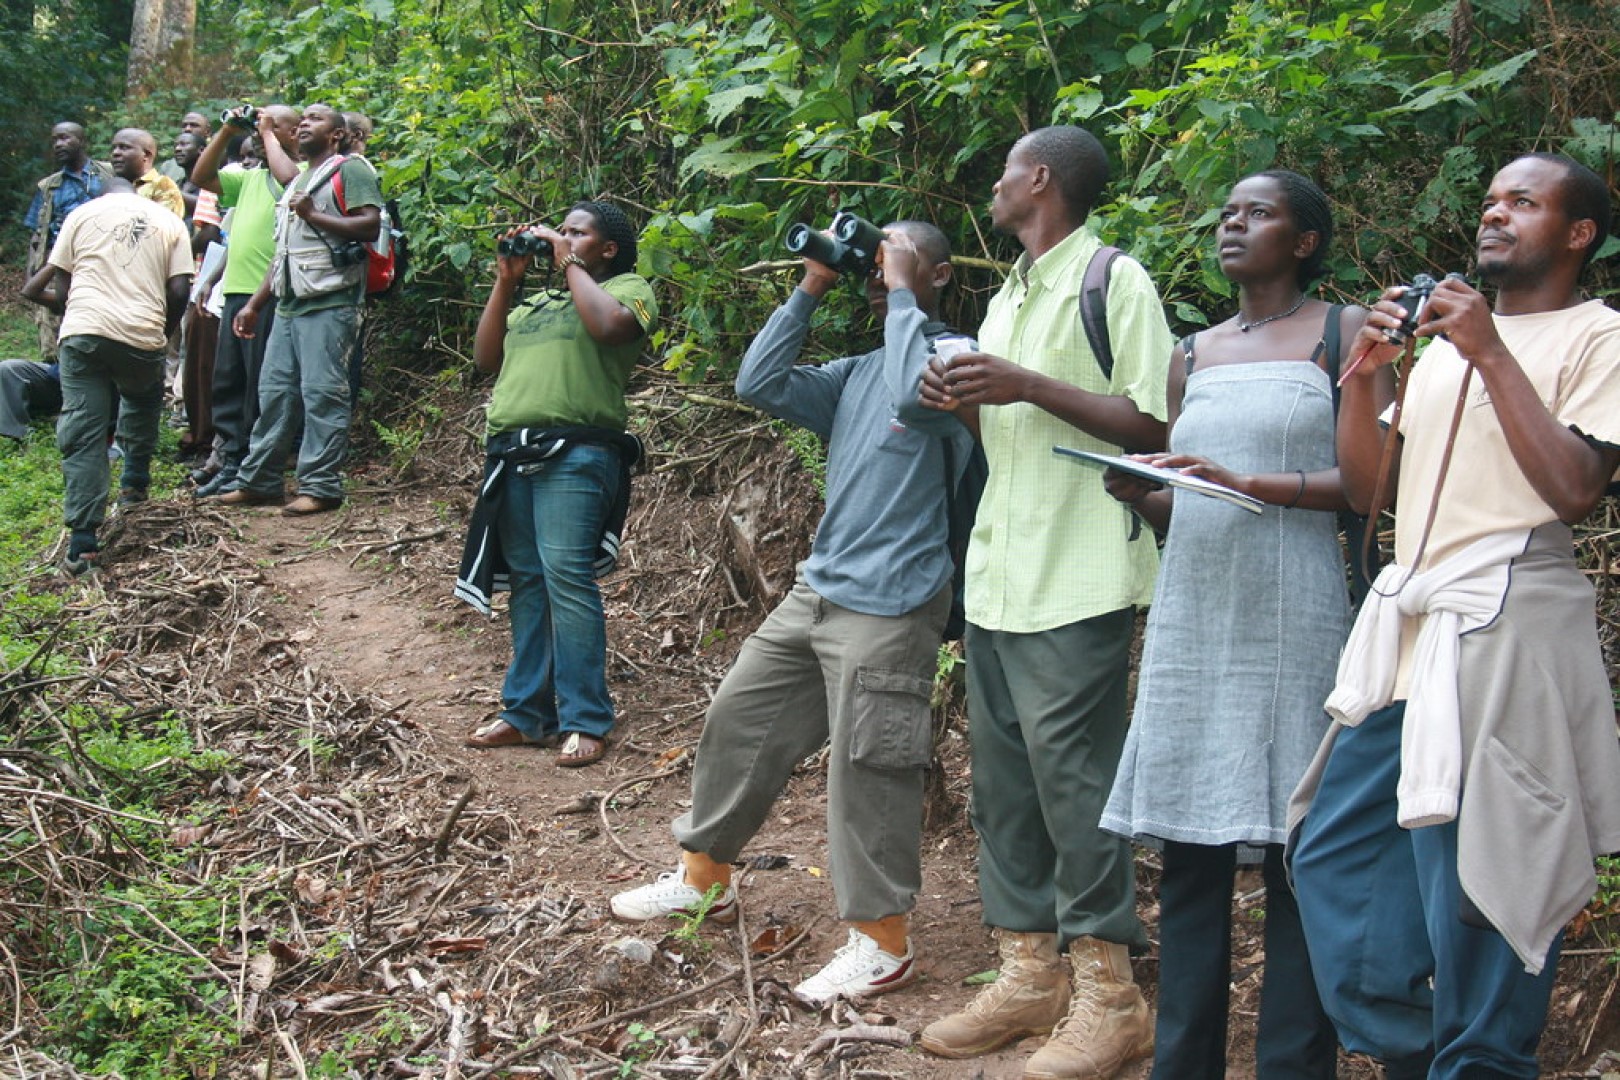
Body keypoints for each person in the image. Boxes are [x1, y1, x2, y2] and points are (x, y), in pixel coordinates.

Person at [1289, 153, 1620, 1079]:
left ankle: (1483, 1062)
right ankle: (1424, 1054)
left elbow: (1574, 487)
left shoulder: (1600, 336)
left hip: (1510, 616)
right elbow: (1367, 489)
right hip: (1413, 629)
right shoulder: (1439, 354)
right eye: (1489, 202)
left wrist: (1488, 350)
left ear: (1578, 233)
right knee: (1333, 855)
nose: (1495, 215)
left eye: (1524, 202)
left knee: (1483, 878)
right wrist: (1368, 373)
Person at [609, 221, 975, 1002]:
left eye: (901, 261)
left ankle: (883, 942)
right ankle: (704, 877)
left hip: (895, 601)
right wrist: (814, 282)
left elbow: (920, 390)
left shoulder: (952, 359)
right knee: (740, 718)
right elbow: (759, 384)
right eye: (879, 262)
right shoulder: (859, 370)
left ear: (939, 275)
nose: (882, 272)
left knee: (867, 768)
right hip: (820, 590)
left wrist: (906, 286)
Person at [1098, 171, 1389, 1079]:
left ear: (1304, 242)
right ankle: (1182, 1063)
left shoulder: (1344, 334)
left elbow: (1373, 489)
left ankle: (1294, 1065)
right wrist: (1146, 493)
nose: (1233, 226)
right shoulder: (1195, 351)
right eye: (1225, 213)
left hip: (1301, 615)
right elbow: (1190, 503)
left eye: (1258, 214)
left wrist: (1250, 485)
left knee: (1303, 852)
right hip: (1197, 622)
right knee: (1191, 857)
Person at [916, 124, 1172, 1080]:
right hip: (1000, 572)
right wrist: (969, 396)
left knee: (1077, 788)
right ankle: (1030, 975)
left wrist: (1020, 381)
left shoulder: (1115, 278)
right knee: (1005, 786)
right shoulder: (1011, 289)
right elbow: (1007, 433)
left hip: (1079, 574)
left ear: (1039, 179)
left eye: (1001, 170)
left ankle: (1112, 997)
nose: (991, 183)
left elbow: (1151, 425)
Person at [456, 201, 655, 768]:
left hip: (579, 453)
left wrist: (568, 265)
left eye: (577, 233)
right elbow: (485, 358)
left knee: (567, 578)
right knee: (529, 582)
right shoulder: (537, 302)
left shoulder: (629, 288)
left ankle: (586, 719)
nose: (562, 238)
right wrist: (505, 283)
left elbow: (612, 328)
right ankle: (525, 714)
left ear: (607, 248)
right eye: (560, 231)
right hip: (513, 452)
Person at [20, 178, 191, 573]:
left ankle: (83, 544)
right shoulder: (168, 220)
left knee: (83, 427)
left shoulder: (80, 214)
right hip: (141, 333)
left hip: (83, 333)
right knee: (142, 399)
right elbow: (180, 289)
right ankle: (133, 485)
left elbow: (62, 290)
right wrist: (160, 333)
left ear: (103, 196)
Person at [218, 104, 382, 516]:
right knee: (274, 393)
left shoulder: (351, 170)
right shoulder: (298, 181)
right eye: (302, 119)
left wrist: (314, 214)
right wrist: (256, 304)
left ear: (337, 135)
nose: (305, 124)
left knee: (322, 394)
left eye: (316, 119)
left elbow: (369, 226)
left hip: (331, 302)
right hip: (290, 305)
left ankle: (321, 485)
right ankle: (260, 482)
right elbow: (284, 252)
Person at [189, 106, 301, 496]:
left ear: (294, 133)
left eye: (274, 125)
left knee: (259, 385)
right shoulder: (248, 178)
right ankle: (231, 461)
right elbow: (200, 177)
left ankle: (254, 466)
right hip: (236, 292)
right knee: (228, 381)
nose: (262, 130)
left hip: (267, 296)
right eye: (260, 125)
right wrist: (225, 132)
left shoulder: (301, 177)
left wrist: (268, 132)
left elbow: (290, 184)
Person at [24, 122, 115, 360]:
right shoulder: (49, 187)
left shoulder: (108, 175)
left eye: (65, 138)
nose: (58, 144)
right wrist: (33, 276)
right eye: (55, 139)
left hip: (104, 262)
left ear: (82, 141)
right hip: (61, 264)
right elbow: (36, 237)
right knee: (57, 334)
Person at [110, 129, 185, 218]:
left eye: (124, 147)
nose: (115, 153)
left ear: (146, 155)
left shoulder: (162, 185)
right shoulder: (111, 185)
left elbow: (163, 227)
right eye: (114, 148)